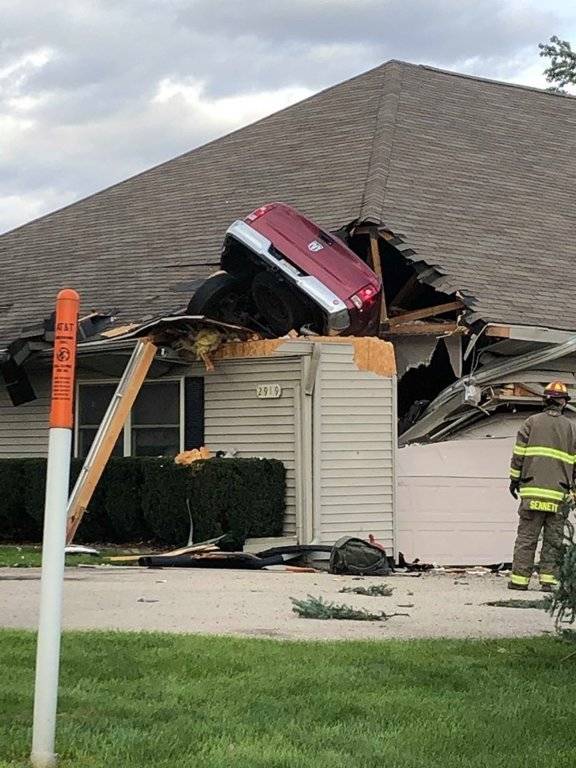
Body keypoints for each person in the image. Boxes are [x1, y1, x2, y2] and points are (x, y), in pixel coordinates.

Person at [508, 381, 576, 591]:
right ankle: (548, 581)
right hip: (558, 494)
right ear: (563, 403)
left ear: (545, 401)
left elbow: (518, 455)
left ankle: (519, 581)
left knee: (527, 538)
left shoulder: (531, 422)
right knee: (553, 540)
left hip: (532, 491)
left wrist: (514, 480)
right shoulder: (572, 428)